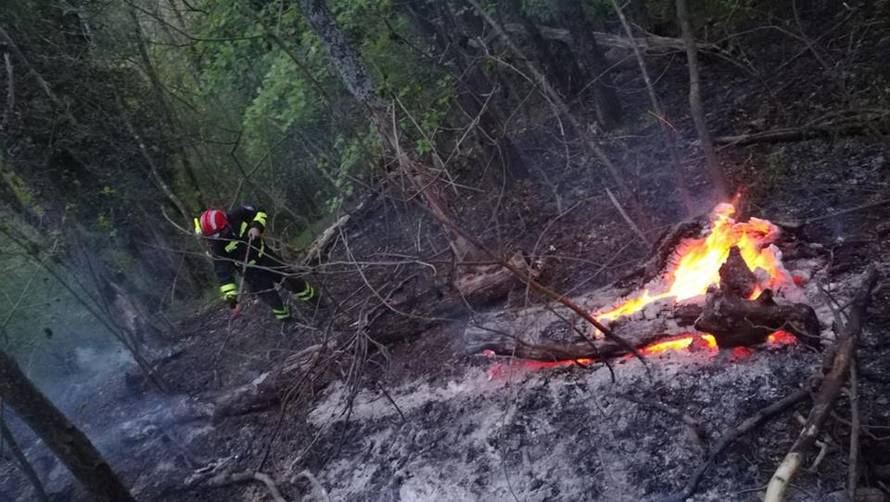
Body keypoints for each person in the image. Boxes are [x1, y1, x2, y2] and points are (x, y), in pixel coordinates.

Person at [195, 205, 319, 321]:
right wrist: (232, 299)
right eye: (213, 236)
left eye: (218, 233)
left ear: (225, 223)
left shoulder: (239, 214)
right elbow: (223, 272)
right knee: (271, 298)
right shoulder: (217, 246)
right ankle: (287, 320)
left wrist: (256, 226)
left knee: (292, 279)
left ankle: (316, 301)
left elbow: (260, 211)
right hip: (251, 273)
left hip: (266, 256)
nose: (217, 237)